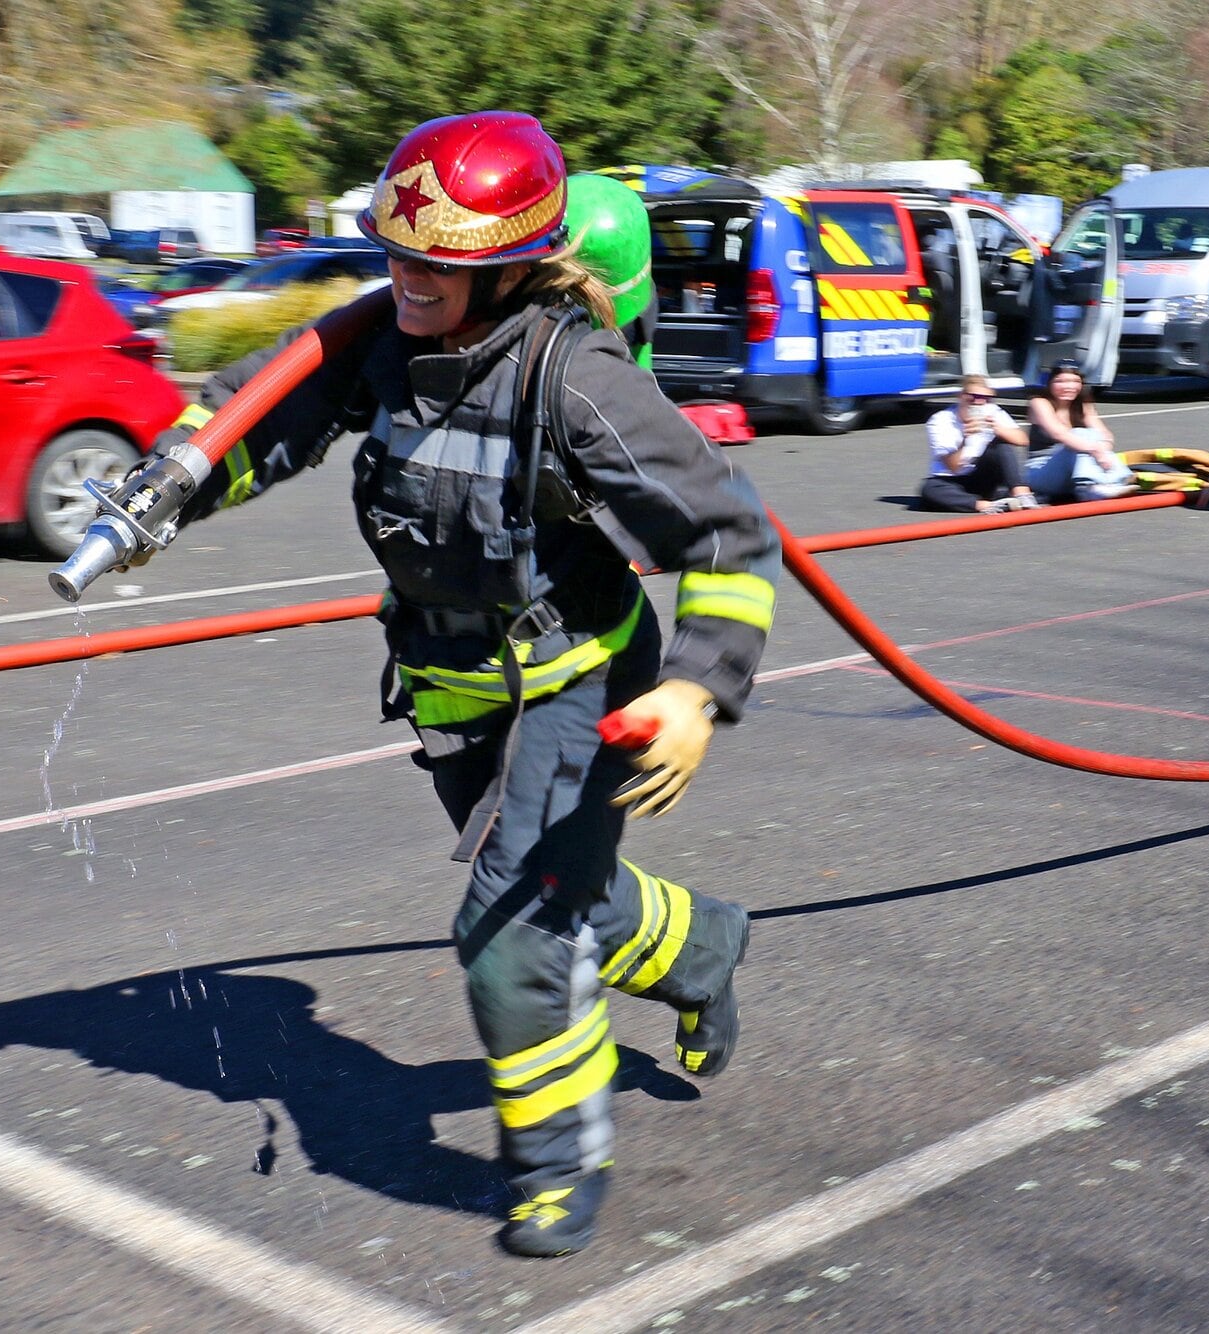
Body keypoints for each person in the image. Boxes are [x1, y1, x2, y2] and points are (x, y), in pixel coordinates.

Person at [143, 112, 779, 1259]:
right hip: (452, 686)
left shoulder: (574, 377)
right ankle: (701, 947)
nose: (410, 275)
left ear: (512, 261)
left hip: (582, 685)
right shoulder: (383, 340)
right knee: (559, 899)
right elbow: (266, 412)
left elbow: (728, 536)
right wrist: (166, 490)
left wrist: (697, 687)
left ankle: (553, 1163)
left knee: (506, 939)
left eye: (441, 260)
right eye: (396, 250)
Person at [918, 376, 1039, 513]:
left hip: (983, 476)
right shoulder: (941, 420)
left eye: (986, 398)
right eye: (973, 397)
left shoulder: (993, 411)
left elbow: (1022, 440)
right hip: (952, 479)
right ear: (961, 396)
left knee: (1001, 444)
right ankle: (984, 505)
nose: (979, 402)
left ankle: (1022, 495)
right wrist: (965, 438)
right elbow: (953, 467)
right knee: (929, 489)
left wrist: (997, 428)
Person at [1024, 359, 1135, 503]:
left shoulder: (1083, 405)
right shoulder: (1039, 403)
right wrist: (1095, 450)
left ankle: (1112, 482)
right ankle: (1091, 487)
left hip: (1074, 471)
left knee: (1092, 436)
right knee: (1079, 435)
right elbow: (1059, 434)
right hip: (1041, 471)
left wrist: (1101, 448)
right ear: (1049, 383)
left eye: (1074, 381)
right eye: (1060, 381)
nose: (1068, 386)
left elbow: (1106, 435)